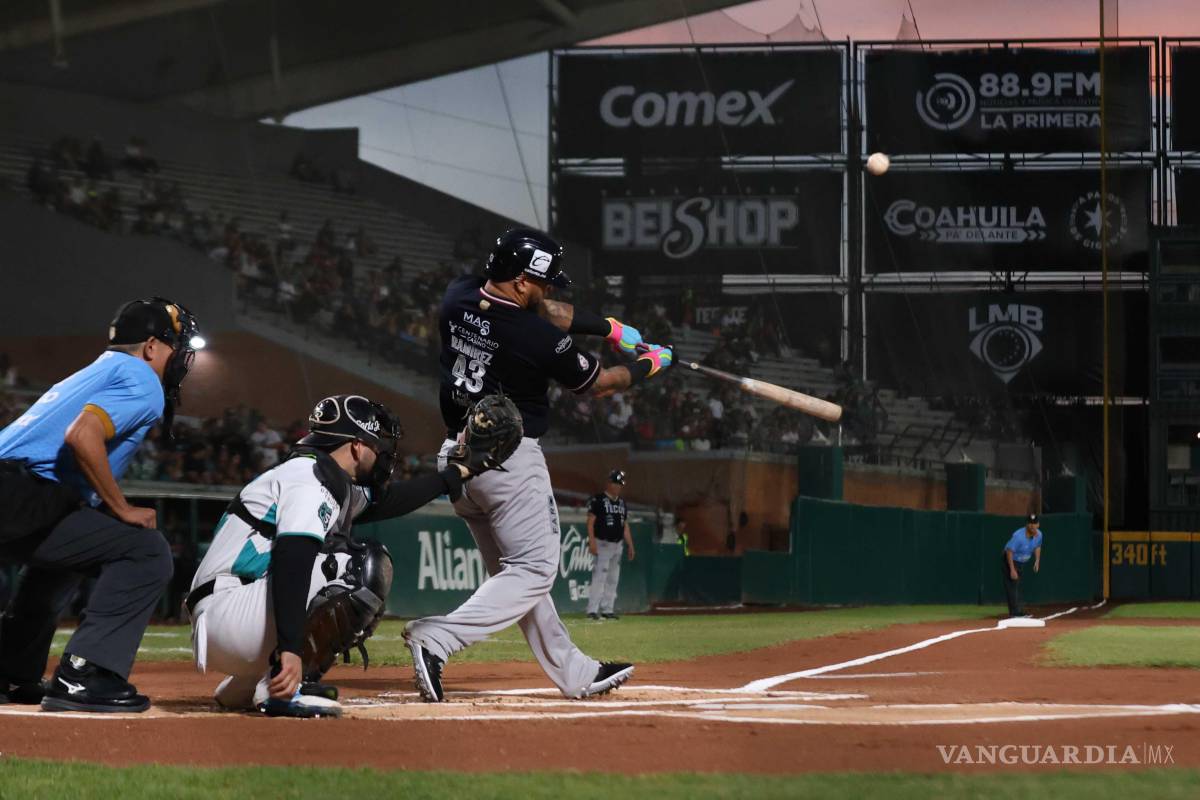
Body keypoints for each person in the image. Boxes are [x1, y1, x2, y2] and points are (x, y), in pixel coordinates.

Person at [403, 227, 673, 702]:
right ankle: (437, 638)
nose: (548, 291)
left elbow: (547, 311)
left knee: (519, 579)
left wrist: (609, 328)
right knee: (533, 572)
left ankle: (576, 673)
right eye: (542, 282)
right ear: (523, 281)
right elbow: (601, 384)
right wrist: (650, 363)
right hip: (510, 460)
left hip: (459, 457)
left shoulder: (460, 295)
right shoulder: (535, 336)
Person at [186, 394, 506, 717]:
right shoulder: (311, 480)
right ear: (355, 446)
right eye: (375, 443)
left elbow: (390, 500)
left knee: (336, 560)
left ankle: (249, 682)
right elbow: (292, 562)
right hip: (229, 613)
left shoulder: (319, 475)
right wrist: (291, 648)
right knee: (362, 566)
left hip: (226, 615)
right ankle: (284, 686)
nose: (381, 452)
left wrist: (456, 473)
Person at [0, 298, 201, 712]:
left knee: (70, 556)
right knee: (146, 552)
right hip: (21, 493)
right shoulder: (143, 379)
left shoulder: (99, 369)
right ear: (150, 347)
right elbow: (82, 435)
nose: (178, 358)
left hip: (18, 492)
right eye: (173, 346)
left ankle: (12, 671)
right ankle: (84, 675)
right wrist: (123, 507)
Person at [586, 469, 634, 621]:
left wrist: (630, 545)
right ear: (609, 483)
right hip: (602, 543)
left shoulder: (621, 503)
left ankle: (608, 609)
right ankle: (592, 610)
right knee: (600, 577)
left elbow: (625, 525)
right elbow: (590, 521)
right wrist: (592, 541)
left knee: (613, 578)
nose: (618, 487)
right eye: (616, 483)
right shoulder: (598, 500)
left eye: (620, 484)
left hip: (617, 544)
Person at [1002, 514, 1043, 617]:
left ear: (1038, 524)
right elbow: (1009, 551)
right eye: (1031, 524)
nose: (1033, 526)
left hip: (1020, 562)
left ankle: (1017, 611)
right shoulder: (1018, 536)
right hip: (1009, 560)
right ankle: (1015, 613)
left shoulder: (1039, 534)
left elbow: (1038, 546)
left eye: (1035, 523)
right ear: (1027, 525)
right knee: (1012, 585)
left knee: (1016, 584)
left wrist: (1037, 560)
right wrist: (1012, 569)